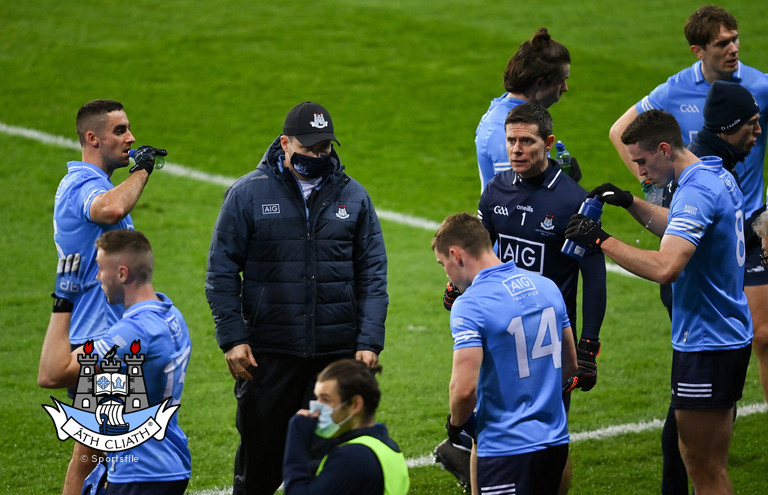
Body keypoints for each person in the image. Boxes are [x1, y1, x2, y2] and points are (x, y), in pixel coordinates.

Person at [205, 101, 388, 495]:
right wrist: (232, 338)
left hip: (333, 363)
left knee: (328, 465)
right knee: (260, 465)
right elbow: (221, 271)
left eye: (325, 148)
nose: (318, 156)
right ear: (285, 143)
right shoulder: (247, 194)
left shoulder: (354, 197)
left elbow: (373, 275)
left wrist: (369, 341)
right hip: (269, 359)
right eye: (308, 148)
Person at [566, 109, 752, 494]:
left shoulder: (696, 191)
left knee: (704, 469)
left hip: (708, 343)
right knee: (693, 456)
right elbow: (682, 227)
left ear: (665, 149)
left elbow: (666, 267)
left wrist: (600, 239)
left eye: (642, 161)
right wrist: (631, 202)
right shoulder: (712, 174)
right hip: (722, 335)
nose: (640, 171)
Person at [52, 99, 166, 495]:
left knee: (106, 454)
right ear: (92, 138)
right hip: (99, 344)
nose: (131, 138)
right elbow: (112, 208)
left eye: (129, 128)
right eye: (120, 131)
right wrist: (143, 169)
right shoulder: (82, 185)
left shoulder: (96, 184)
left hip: (110, 339)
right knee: (96, 456)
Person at [433, 212, 577, 495]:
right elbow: (570, 364)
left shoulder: (470, 304)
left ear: (456, 255)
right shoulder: (547, 286)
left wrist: (456, 425)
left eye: (443, 264)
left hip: (506, 448)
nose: (446, 274)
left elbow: (463, 391)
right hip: (555, 443)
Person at [38, 229, 192, 494]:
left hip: (140, 472)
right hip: (170, 460)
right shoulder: (171, 314)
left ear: (122, 274)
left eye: (100, 268)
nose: (97, 277)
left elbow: (51, 374)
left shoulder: (133, 333)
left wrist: (63, 302)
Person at [282, 358, 409, 494]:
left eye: (325, 399)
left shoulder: (354, 457)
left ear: (355, 404)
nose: (316, 410)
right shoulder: (387, 446)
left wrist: (297, 435)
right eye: (317, 398)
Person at [475, 27, 579, 190]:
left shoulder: (514, 113)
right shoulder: (505, 130)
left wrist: (556, 171)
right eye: (561, 81)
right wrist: (561, 182)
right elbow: (517, 198)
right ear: (540, 83)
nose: (565, 88)